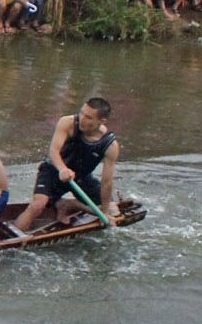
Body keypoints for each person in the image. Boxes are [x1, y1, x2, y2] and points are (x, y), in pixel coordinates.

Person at [14, 96, 122, 231]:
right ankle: (9, 242)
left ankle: (70, 205)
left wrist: (104, 212)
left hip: (81, 178)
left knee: (114, 211)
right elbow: (53, 151)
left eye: (88, 117)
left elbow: (107, 182)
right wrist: (62, 169)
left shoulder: (110, 146)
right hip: (53, 170)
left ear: (102, 121)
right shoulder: (67, 122)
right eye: (81, 113)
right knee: (38, 205)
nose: (82, 119)